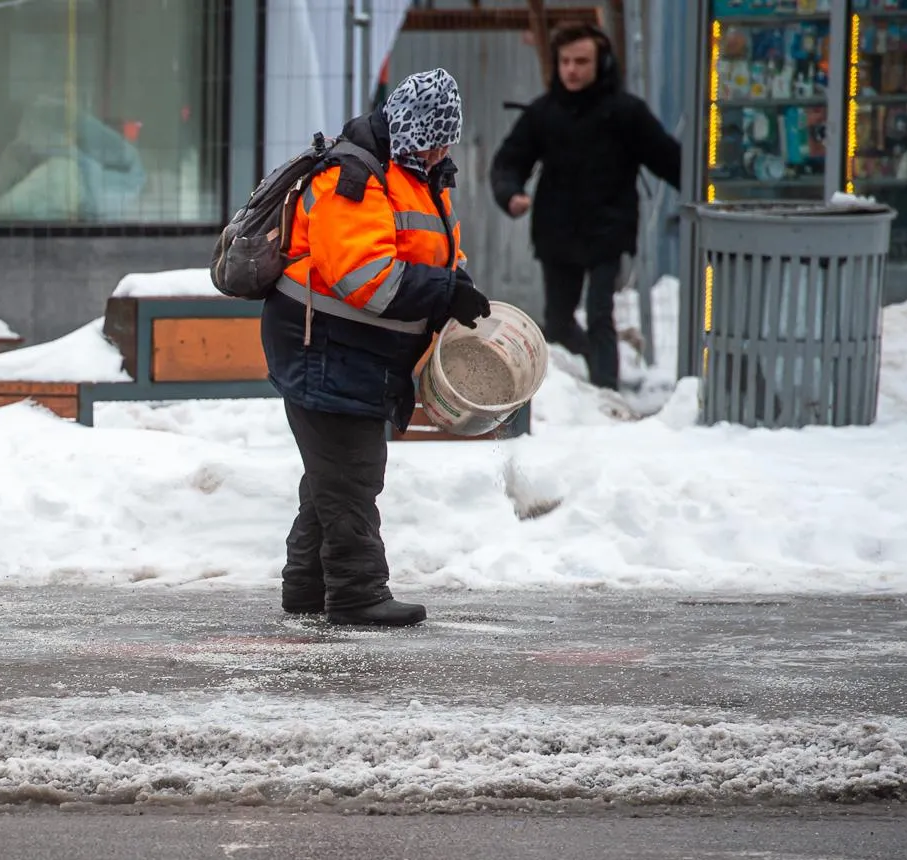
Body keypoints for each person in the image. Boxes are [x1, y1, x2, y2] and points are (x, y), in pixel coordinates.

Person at [263, 69, 490, 628]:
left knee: (333, 476)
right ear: (408, 131)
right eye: (432, 139)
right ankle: (358, 593)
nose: (440, 151)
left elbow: (431, 255)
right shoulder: (356, 178)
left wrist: (455, 290)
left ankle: (308, 586)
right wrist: (445, 293)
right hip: (324, 347)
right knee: (352, 473)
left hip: (353, 352)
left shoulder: (419, 179)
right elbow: (369, 279)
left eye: (446, 140)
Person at [490, 23, 681, 390]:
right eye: (565, 61)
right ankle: (592, 369)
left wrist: (705, 189)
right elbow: (509, 160)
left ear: (602, 63)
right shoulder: (544, 113)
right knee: (558, 322)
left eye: (581, 61)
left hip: (608, 229)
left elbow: (670, 160)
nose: (572, 70)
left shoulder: (626, 113)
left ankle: (607, 390)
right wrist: (510, 194)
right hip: (556, 232)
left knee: (599, 314)